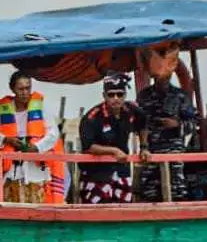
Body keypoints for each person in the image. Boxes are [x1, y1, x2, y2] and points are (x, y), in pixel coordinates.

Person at [0, 71, 59, 204]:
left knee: (36, 208)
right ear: (12, 88)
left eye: (28, 88)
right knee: (10, 206)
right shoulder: (4, 109)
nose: (25, 92)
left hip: (35, 170)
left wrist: (37, 147)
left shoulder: (40, 107)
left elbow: (53, 134)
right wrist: (7, 140)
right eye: (21, 89)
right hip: (12, 170)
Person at [136, 46, 198, 202]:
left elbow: (193, 124)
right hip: (151, 150)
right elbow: (137, 122)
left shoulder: (180, 96)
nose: (163, 79)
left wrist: (176, 124)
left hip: (173, 151)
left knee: (176, 191)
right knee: (149, 192)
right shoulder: (144, 96)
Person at [78, 73, 148, 204]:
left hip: (122, 172)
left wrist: (144, 147)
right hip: (96, 175)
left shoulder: (131, 110)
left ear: (125, 95)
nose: (115, 98)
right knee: (96, 215)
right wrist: (113, 151)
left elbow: (143, 125)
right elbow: (89, 146)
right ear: (104, 95)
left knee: (123, 213)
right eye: (111, 95)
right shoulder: (92, 117)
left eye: (120, 94)